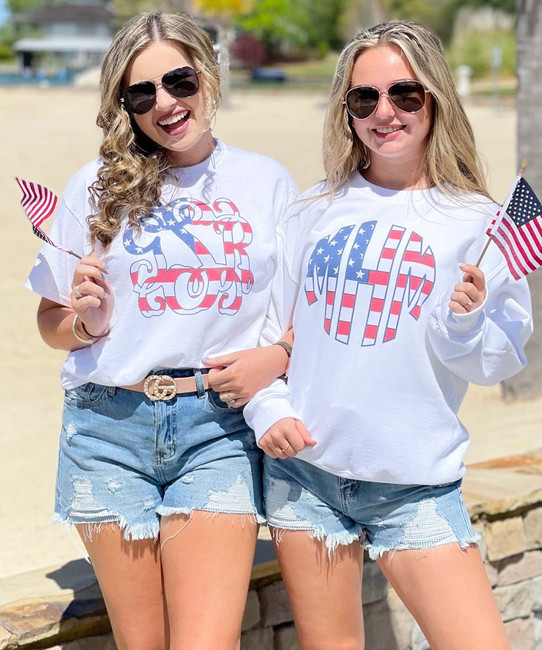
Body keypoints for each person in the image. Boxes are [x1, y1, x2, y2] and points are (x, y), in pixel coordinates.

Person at [243, 20, 532, 649]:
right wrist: (269, 412)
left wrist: (463, 320)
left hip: (415, 486)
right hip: (305, 475)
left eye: (405, 94)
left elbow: (495, 362)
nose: (385, 112)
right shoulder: (312, 208)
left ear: (435, 99)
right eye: (363, 98)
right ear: (346, 111)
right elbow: (270, 332)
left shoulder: (477, 220)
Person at [26, 12, 296, 650]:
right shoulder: (96, 188)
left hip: (217, 428)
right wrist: (84, 323)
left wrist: (279, 356)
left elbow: (300, 312)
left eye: (179, 81)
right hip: (107, 429)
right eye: (141, 93)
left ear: (208, 74)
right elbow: (49, 324)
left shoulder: (267, 183)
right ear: (124, 105)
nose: (165, 104)